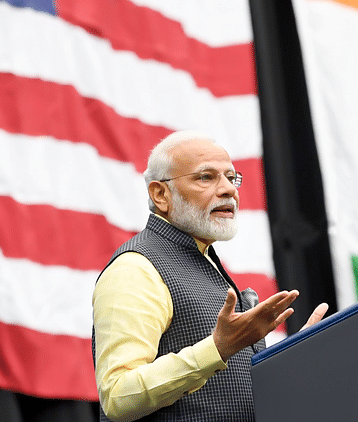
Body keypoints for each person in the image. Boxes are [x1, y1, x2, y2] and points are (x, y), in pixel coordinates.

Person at [92, 130, 328, 422]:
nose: (229, 189)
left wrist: (287, 362)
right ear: (160, 194)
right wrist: (217, 348)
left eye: (231, 177)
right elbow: (117, 396)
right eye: (206, 177)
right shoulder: (136, 268)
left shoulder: (205, 260)